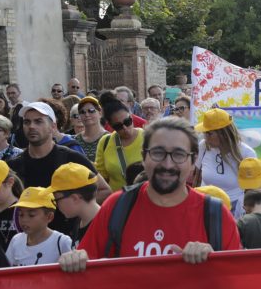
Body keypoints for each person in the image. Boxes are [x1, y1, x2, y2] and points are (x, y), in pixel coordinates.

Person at [58, 116, 241, 271]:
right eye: (158, 153)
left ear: (193, 162)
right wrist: (74, 262)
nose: (167, 165)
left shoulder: (216, 216)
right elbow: (87, 269)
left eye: (178, 155)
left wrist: (214, 262)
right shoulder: (117, 207)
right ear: (143, 158)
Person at [8, 101, 109, 234]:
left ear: (53, 126)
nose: (31, 126)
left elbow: (104, 190)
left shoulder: (71, 158)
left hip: (69, 237)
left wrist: (76, 205)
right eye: (27, 122)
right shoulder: (14, 165)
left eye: (38, 121)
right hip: (30, 240)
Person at [193, 108, 257, 203]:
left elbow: (252, 189)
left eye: (209, 134)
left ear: (224, 133)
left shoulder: (247, 153)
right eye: (204, 133)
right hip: (205, 204)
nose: (206, 137)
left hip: (235, 207)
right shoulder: (203, 146)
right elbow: (196, 178)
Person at [5, 187, 72, 266]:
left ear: (49, 217)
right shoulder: (16, 240)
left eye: (31, 215)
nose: (24, 219)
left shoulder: (62, 242)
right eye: (21, 214)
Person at [96, 100, 146, 191]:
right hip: (118, 201)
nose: (125, 128)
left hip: (144, 196)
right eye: (118, 126)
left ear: (131, 116)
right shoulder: (105, 142)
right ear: (111, 126)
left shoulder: (148, 136)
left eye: (127, 122)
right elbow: (101, 177)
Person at [50, 162, 102, 246]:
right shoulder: (79, 222)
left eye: (57, 199)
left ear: (75, 198)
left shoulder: (103, 228)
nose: (56, 205)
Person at [72, 96, 108, 163]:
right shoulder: (75, 140)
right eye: (82, 112)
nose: (86, 114)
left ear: (100, 113)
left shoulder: (109, 138)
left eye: (91, 111)